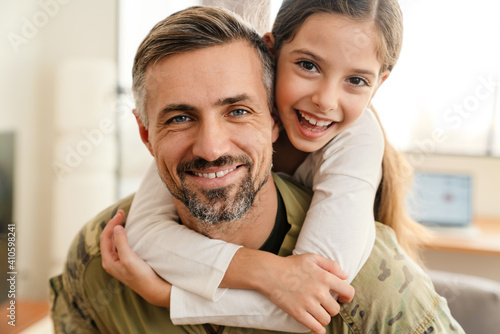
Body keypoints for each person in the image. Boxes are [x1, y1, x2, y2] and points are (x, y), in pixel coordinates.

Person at [49, 5, 464, 334]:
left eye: (238, 110)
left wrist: (169, 298)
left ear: (271, 119)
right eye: (179, 118)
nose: (323, 100)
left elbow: (311, 300)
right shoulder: (95, 261)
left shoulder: (377, 288)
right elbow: (145, 233)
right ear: (145, 134)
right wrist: (269, 272)